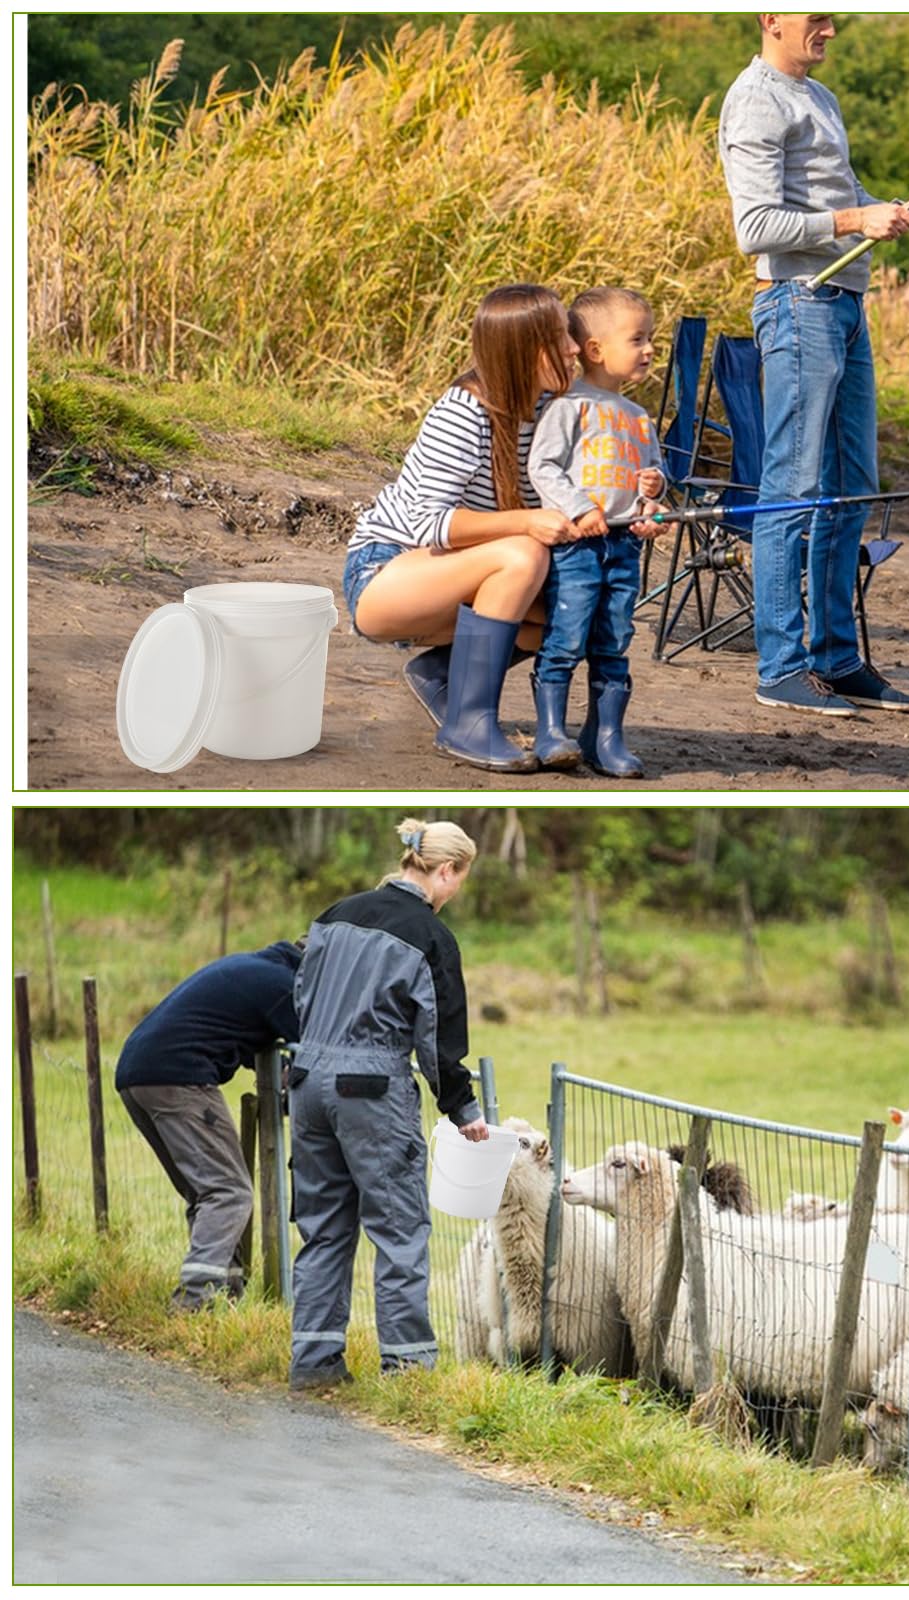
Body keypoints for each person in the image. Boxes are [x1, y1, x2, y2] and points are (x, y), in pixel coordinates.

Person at [718, 13, 909, 718]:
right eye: (818, 18)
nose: (831, 30)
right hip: (797, 302)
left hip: (844, 304)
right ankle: (779, 668)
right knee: (794, 485)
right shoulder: (756, 98)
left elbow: (844, 196)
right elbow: (756, 228)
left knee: (851, 486)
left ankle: (835, 659)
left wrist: (890, 211)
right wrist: (853, 223)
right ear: (770, 18)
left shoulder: (822, 98)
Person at [342, 284, 584, 774]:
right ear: (524, 350)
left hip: (463, 581)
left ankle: (443, 676)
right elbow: (428, 522)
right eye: (560, 337)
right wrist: (526, 521)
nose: (574, 347)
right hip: (386, 572)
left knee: (580, 606)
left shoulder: (549, 411)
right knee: (523, 554)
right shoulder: (464, 412)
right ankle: (469, 725)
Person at [286, 818, 488, 1391]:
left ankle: (315, 1364)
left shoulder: (335, 913)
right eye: (458, 881)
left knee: (324, 1228)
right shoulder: (430, 937)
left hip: (306, 1079)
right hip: (370, 1088)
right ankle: (408, 1372)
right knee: (399, 1228)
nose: (454, 894)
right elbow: (440, 1036)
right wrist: (463, 1108)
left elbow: (299, 993)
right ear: (444, 870)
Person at [526, 287, 674, 778]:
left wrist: (653, 493)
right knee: (567, 638)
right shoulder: (570, 406)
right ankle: (551, 731)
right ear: (595, 350)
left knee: (614, 639)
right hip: (577, 546)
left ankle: (604, 736)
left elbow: (651, 478)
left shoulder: (639, 418)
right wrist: (578, 508)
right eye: (638, 339)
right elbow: (543, 467)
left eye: (650, 338)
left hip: (623, 546)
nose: (650, 348)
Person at [115, 941, 303, 1311]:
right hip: (179, 1077)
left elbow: (251, 1043)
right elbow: (313, 1053)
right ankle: (194, 1300)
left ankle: (224, 1296)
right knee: (228, 1192)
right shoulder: (284, 986)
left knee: (207, 1193)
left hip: (136, 1076)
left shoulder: (253, 969)